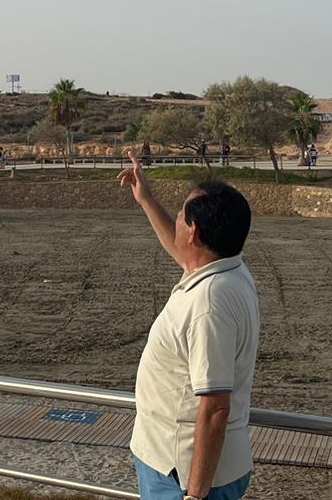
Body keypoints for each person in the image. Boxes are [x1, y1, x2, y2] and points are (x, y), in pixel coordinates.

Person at [118, 149, 259, 500]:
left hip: (182, 474)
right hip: (180, 466)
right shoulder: (226, 268)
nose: (176, 219)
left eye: (180, 214)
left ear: (194, 232)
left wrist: (195, 496)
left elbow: (215, 407)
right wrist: (146, 199)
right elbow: (182, 250)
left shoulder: (208, 302)